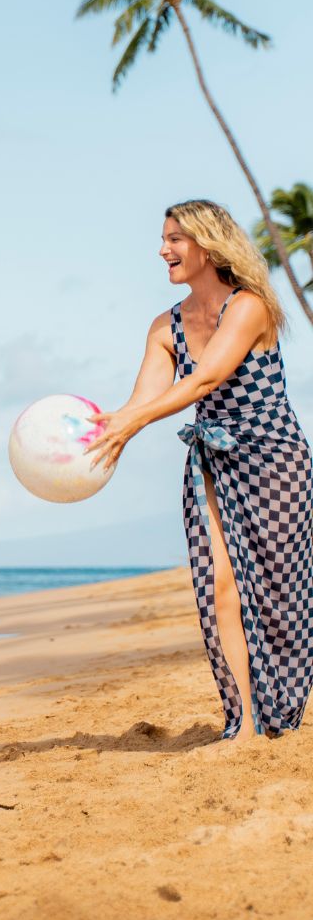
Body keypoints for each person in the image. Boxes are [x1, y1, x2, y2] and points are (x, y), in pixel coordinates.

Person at [87, 200, 313, 743]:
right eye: (163, 238)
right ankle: (245, 722)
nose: (163, 249)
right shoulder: (164, 327)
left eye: (175, 239)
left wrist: (134, 422)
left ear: (208, 245)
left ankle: (282, 700)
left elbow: (205, 379)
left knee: (281, 595)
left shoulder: (249, 306)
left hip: (274, 457)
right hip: (211, 459)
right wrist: (103, 429)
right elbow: (143, 399)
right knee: (218, 586)